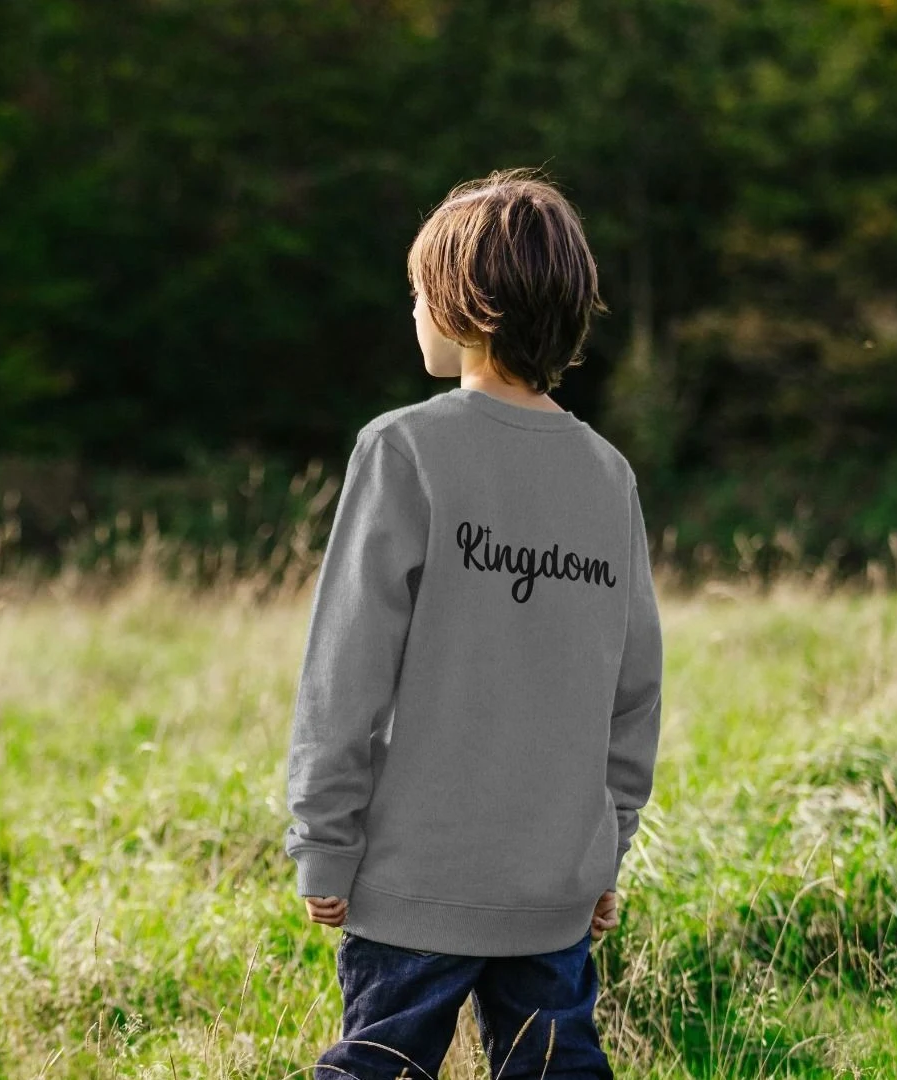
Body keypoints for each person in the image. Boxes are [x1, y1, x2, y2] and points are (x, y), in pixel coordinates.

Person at [285, 166, 664, 1080]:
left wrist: (324, 842)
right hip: (556, 889)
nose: (413, 308)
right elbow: (636, 690)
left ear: (470, 308)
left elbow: (345, 673)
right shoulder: (607, 474)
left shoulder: (402, 448)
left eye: (421, 290)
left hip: (414, 880)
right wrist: (604, 852)